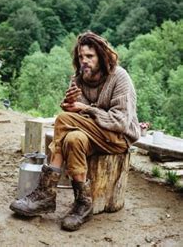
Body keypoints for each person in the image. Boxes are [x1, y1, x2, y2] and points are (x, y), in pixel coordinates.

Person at [10, 31, 140, 231]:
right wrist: (70, 105)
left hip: (118, 137)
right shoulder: (78, 79)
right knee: (73, 138)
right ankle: (83, 204)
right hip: (92, 135)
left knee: (63, 120)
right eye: (81, 57)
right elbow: (78, 120)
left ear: (102, 57)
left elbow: (120, 122)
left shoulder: (119, 77)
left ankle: (46, 193)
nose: (84, 61)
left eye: (90, 56)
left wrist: (85, 109)